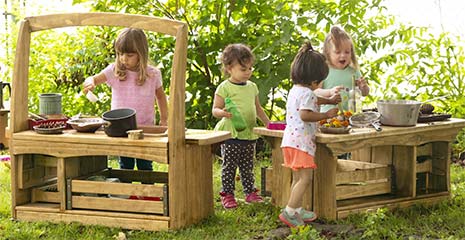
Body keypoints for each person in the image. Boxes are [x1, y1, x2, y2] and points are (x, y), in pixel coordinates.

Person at [82, 28, 168, 171]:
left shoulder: (153, 74)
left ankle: (146, 192)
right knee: (125, 164)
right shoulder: (114, 71)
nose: (123, 59)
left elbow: (161, 96)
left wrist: (164, 119)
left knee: (145, 164)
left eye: (129, 55)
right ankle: (125, 193)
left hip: (144, 129)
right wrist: (89, 83)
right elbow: (94, 79)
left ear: (141, 54)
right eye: (120, 54)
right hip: (121, 128)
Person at [279, 42, 340, 228]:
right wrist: (325, 114)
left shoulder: (296, 90)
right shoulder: (308, 94)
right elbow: (305, 114)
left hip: (290, 141)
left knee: (298, 179)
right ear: (314, 81)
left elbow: (313, 99)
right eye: (321, 81)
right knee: (305, 179)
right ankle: (289, 212)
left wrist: (328, 99)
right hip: (302, 143)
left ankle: (296, 209)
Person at [212, 43, 270, 209]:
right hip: (231, 135)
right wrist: (222, 113)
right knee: (229, 166)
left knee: (248, 166)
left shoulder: (252, 87)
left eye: (250, 68)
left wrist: (268, 124)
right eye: (243, 69)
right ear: (229, 68)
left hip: (248, 135)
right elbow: (215, 110)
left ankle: (250, 192)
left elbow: (258, 108)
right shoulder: (225, 87)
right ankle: (228, 194)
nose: (248, 72)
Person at [316, 26, 370, 113]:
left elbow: (365, 93)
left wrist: (364, 87)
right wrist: (329, 92)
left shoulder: (353, 71)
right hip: (328, 118)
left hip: (350, 117)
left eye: (347, 52)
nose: (343, 55)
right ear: (328, 53)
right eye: (337, 52)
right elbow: (315, 93)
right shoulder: (324, 71)